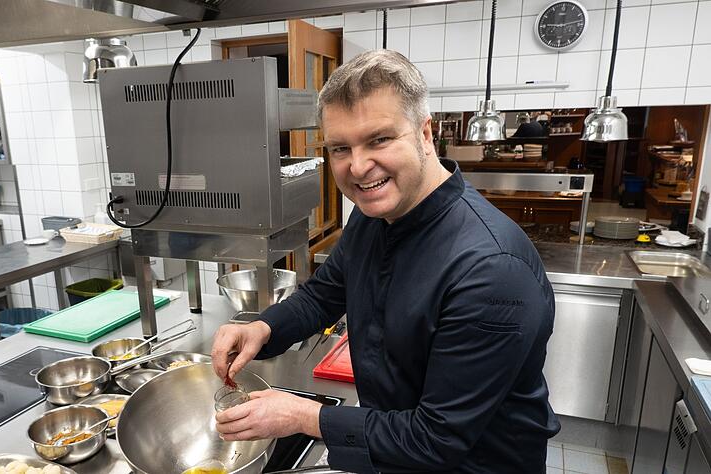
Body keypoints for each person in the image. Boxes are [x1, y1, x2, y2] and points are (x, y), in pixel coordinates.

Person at [211, 49, 560, 473]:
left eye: (378, 139)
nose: (358, 167)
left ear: (425, 134)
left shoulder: (490, 270)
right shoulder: (373, 216)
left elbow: (437, 438)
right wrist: (263, 328)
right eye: (340, 147)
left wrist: (301, 415)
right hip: (394, 451)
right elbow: (323, 296)